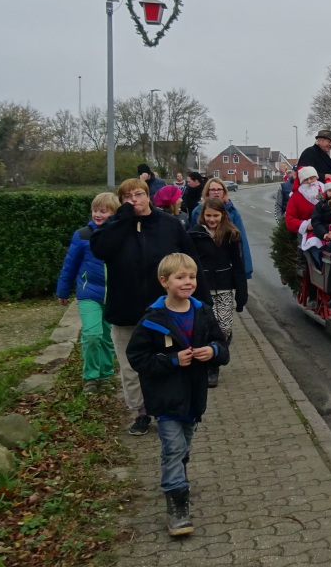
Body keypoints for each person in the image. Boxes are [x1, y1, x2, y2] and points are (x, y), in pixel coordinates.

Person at [90, 178, 210, 436]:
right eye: (127, 197)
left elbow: (191, 262)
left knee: (166, 361)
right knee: (131, 366)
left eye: (138, 194)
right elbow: (99, 250)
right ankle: (141, 412)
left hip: (165, 312)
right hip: (126, 311)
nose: (134, 200)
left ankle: (169, 409)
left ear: (148, 196)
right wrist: (122, 220)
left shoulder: (169, 225)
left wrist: (203, 301)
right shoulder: (114, 226)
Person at [126, 253, 229, 538]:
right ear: (164, 281)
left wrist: (213, 352)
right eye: (180, 277)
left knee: (183, 445)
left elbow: (221, 346)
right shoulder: (153, 319)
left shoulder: (202, 312)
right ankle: (177, 505)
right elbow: (137, 357)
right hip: (165, 397)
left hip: (193, 396)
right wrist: (172, 360)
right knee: (172, 448)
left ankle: (178, 475)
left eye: (192, 277)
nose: (188, 282)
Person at [55, 192, 119, 394]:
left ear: (114, 213)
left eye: (103, 211)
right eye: (95, 210)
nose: (97, 214)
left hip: (113, 294)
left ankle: (106, 375)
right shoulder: (82, 235)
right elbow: (70, 265)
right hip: (88, 292)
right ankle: (91, 377)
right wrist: (63, 290)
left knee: (108, 338)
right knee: (92, 335)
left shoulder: (120, 234)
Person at [188, 197, 247, 388]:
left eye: (215, 215)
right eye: (208, 216)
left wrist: (241, 293)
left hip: (224, 287)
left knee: (224, 328)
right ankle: (211, 367)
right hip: (202, 290)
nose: (212, 219)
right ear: (202, 215)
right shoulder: (194, 234)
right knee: (206, 329)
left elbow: (238, 265)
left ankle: (219, 348)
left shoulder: (231, 234)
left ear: (222, 215)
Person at [188, 178, 253, 279]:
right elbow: (192, 237)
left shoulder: (232, 212)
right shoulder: (197, 211)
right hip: (204, 265)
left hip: (226, 265)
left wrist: (245, 270)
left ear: (224, 192)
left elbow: (241, 241)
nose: (216, 192)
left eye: (219, 189)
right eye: (213, 190)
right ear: (207, 192)